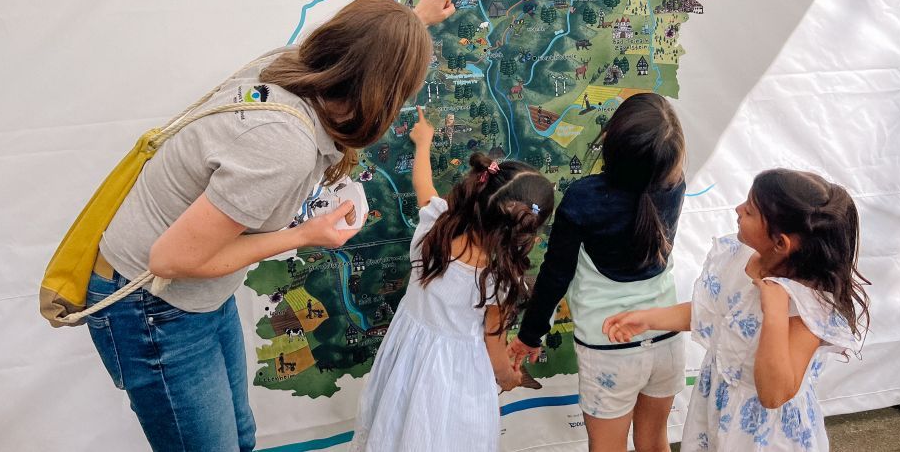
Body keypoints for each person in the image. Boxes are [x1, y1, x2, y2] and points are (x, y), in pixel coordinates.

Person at [85, 0, 461, 452]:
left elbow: (364, 50)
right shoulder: (284, 146)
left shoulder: (292, 66)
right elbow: (170, 260)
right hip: (154, 303)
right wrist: (305, 235)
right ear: (381, 94)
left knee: (239, 439)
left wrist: (414, 20)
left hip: (194, 295)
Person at [604, 169, 870, 452]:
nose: (738, 209)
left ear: (781, 243)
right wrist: (648, 319)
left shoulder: (807, 307)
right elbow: (714, 315)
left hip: (766, 436)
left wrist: (775, 313)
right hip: (718, 409)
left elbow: (774, 394)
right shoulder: (739, 256)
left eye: (750, 211)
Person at [350, 107, 556, 452]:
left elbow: (423, 185)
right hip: (457, 380)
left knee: (397, 430)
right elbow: (495, 352)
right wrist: (509, 378)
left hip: (406, 360)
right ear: (521, 234)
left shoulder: (437, 224)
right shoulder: (496, 281)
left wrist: (423, 143)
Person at [508, 92, 687, 452]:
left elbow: (556, 275)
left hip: (609, 349)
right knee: (655, 442)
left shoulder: (583, 198)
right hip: (666, 337)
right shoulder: (674, 186)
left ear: (611, 141)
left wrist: (530, 334)